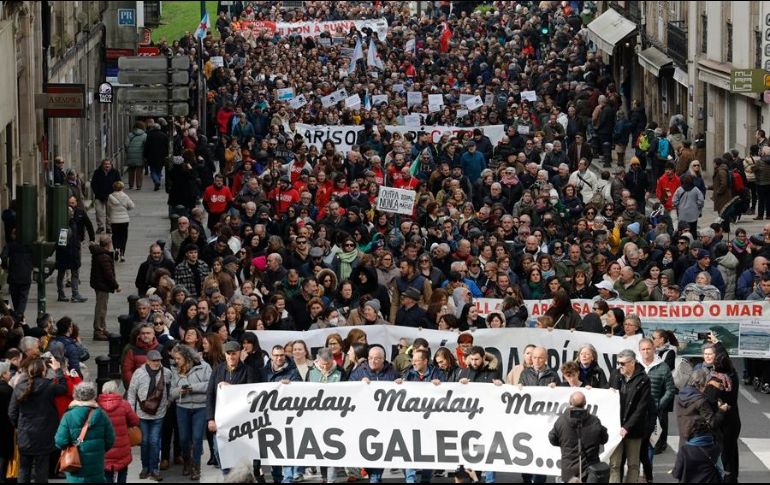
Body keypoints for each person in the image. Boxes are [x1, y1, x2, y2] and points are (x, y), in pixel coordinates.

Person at [8, 358, 68, 483]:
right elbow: (63, 388)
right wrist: (58, 370)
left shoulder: (20, 386)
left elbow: (12, 411)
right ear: (43, 371)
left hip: (26, 432)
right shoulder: (49, 386)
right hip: (45, 432)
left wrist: (18, 425)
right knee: (42, 469)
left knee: (24, 469)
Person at [55, 382, 116, 483]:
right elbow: (111, 439)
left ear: (76, 396)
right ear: (93, 395)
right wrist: (98, 449)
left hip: (75, 466)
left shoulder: (68, 416)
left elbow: (60, 441)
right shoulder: (102, 415)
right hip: (96, 466)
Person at [517, 346, 560, 484]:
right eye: (534, 357)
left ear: (546, 359)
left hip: (545, 423)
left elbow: (560, 398)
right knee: (527, 455)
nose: (536, 360)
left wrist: (556, 389)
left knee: (541, 453)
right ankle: (527, 479)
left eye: (540, 357)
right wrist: (518, 389)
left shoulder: (553, 375)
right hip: (528, 422)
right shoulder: (525, 373)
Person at [169, 344, 212, 481]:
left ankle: (196, 467)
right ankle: (187, 461)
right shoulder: (175, 370)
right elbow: (171, 392)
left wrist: (193, 387)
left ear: (187, 358)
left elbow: (209, 385)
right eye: (175, 358)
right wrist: (179, 391)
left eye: (178, 358)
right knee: (183, 439)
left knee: (198, 438)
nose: (176, 361)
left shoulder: (204, 367)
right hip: (182, 407)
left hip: (200, 407)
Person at [608, 349, 651, 484]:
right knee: (614, 464)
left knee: (633, 464)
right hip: (616, 427)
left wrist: (627, 426)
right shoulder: (615, 374)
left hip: (634, 428)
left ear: (632, 363)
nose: (620, 366)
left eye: (623, 363)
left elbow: (641, 407)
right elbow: (606, 394)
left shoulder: (644, 380)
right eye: (618, 363)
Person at [127, 349, 170, 482]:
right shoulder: (139, 373)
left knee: (154, 441)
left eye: (158, 360)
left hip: (159, 413)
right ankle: (145, 467)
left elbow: (172, 388)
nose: (157, 363)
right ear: (147, 361)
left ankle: (154, 469)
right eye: (154, 360)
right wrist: (131, 412)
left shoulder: (166, 373)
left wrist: (169, 401)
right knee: (145, 442)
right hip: (142, 413)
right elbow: (132, 392)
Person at [637, 338, 677, 483]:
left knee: (650, 443)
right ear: (639, 350)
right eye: (643, 349)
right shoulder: (635, 365)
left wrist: (659, 406)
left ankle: (646, 473)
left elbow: (670, 389)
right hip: (636, 413)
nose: (646, 352)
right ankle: (635, 471)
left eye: (649, 349)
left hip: (653, 414)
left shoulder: (663, 367)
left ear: (654, 349)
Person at [548, 391, 609, 482]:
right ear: (585, 403)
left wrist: (564, 443)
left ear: (570, 403)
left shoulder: (561, 421)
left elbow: (552, 439)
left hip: (570, 471)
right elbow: (604, 439)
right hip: (591, 471)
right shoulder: (595, 421)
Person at [98, 380, 140, 484]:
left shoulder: (97, 407)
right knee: (122, 469)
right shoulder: (124, 404)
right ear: (116, 390)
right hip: (122, 445)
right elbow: (135, 421)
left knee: (106, 472)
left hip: (105, 446)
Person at [90, 235, 121, 341]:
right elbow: (108, 274)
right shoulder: (104, 256)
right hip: (102, 285)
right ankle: (98, 330)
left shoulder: (99, 253)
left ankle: (102, 328)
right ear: (108, 244)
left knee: (102, 307)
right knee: (101, 308)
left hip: (99, 284)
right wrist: (116, 286)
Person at [90, 159, 122, 234]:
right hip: (99, 196)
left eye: (108, 164)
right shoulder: (97, 172)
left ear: (111, 165)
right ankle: (100, 226)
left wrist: (116, 193)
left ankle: (109, 227)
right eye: (105, 164)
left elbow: (119, 183)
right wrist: (97, 193)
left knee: (110, 213)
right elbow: (93, 184)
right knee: (98, 212)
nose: (107, 165)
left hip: (111, 196)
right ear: (102, 165)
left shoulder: (115, 172)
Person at [107, 181, 135, 262]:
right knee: (123, 236)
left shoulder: (110, 197)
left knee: (115, 235)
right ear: (122, 188)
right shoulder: (125, 196)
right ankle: (122, 254)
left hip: (114, 220)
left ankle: (116, 248)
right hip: (124, 220)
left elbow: (108, 209)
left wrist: (109, 216)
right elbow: (132, 206)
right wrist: (126, 209)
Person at [125, 121, 147, 190]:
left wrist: (128, 151)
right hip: (141, 155)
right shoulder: (145, 135)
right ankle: (139, 185)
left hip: (130, 154)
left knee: (131, 171)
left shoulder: (130, 134)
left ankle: (131, 185)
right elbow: (146, 146)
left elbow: (126, 144)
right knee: (139, 171)